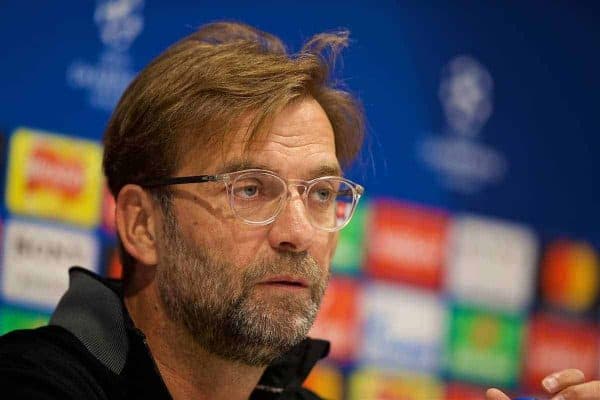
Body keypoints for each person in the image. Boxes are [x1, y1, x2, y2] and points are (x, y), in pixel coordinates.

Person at [0, 21, 597, 400]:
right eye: (250, 190)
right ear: (141, 224)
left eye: (320, 194)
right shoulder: (33, 383)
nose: (296, 233)